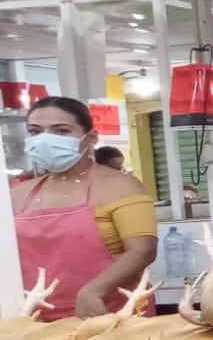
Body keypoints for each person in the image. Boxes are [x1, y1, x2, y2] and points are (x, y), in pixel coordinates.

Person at [11, 96, 157, 319]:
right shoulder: (19, 194)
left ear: (91, 138)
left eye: (61, 131)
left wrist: (94, 291)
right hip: (35, 320)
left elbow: (143, 250)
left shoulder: (120, 185)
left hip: (112, 313)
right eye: (35, 131)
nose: (45, 139)